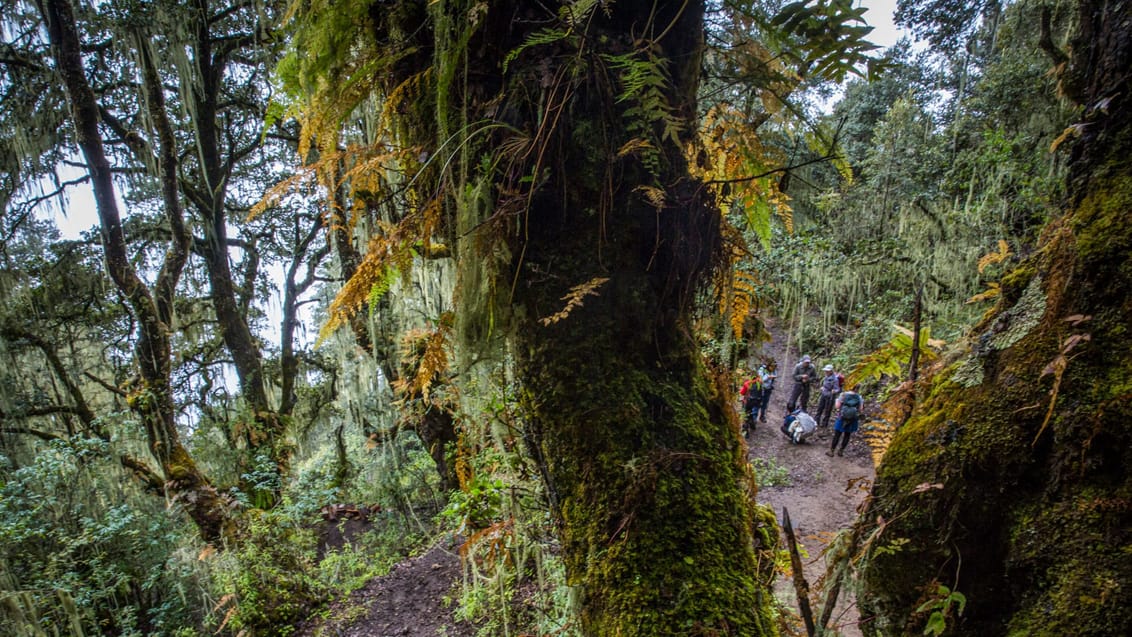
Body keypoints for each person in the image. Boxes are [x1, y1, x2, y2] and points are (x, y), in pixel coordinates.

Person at [827, 388, 863, 457]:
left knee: (837, 434)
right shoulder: (859, 397)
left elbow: (837, 406)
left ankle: (831, 451)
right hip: (852, 419)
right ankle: (841, 451)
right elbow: (860, 409)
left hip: (842, 417)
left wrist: (836, 401)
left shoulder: (843, 395)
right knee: (847, 435)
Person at [813, 364, 842, 428]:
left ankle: (824, 424)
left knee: (827, 411)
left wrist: (834, 391)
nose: (826, 372)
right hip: (823, 394)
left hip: (830, 397)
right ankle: (816, 421)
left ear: (831, 371)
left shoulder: (835, 379)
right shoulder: (826, 377)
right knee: (819, 408)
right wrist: (823, 388)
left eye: (827, 371)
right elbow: (825, 385)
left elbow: (838, 389)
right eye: (825, 371)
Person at [739, 372, 763, 437]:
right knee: (750, 413)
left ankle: (745, 431)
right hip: (756, 402)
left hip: (748, 402)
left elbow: (742, 392)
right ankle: (752, 425)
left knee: (745, 415)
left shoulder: (748, 384)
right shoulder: (759, 384)